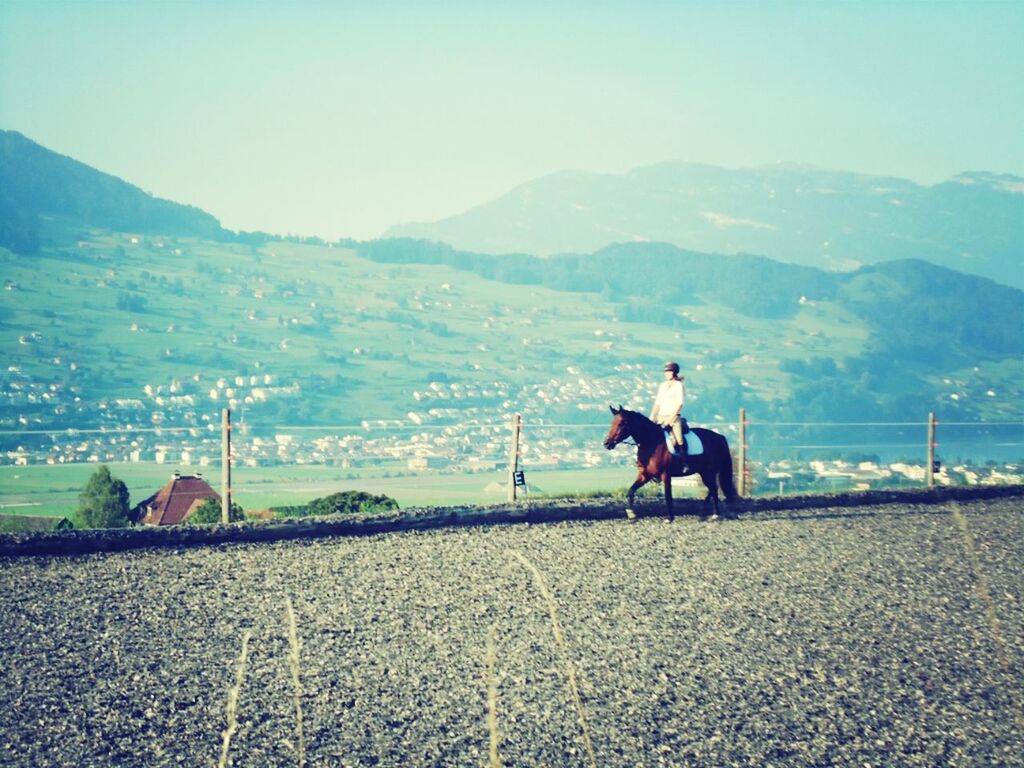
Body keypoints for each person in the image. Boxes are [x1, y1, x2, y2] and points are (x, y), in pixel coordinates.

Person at [650, 361, 687, 462]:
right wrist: (652, 417)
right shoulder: (662, 385)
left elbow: (680, 404)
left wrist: (671, 419)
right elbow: (657, 403)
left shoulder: (678, 385)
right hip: (661, 417)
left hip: (674, 418)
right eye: (666, 372)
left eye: (669, 371)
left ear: (674, 372)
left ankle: (685, 462)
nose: (667, 373)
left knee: (678, 439)